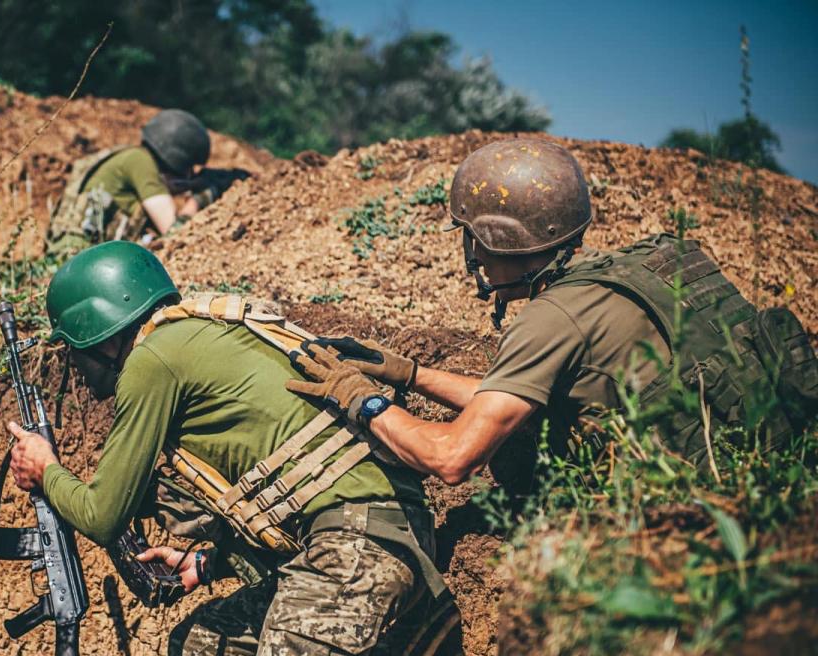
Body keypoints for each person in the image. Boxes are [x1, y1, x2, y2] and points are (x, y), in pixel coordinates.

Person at [4, 241, 445, 656]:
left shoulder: (152, 362)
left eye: (73, 349)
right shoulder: (207, 329)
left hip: (356, 549)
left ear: (102, 335)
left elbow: (102, 514)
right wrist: (211, 563)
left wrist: (45, 470)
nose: (74, 365)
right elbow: (286, 479)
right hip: (355, 541)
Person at [288, 138, 816, 490]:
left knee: (516, 455)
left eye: (472, 238)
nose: (473, 255)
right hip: (780, 462)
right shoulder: (650, 264)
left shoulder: (551, 319)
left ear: (495, 237)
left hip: (696, 516)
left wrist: (363, 400)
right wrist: (410, 374)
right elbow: (513, 397)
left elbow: (452, 458)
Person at [45, 109, 217, 260]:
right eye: (189, 169)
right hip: (77, 259)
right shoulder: (141, 162)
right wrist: (199, 200)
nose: (189, 175)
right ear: (177, 161)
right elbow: (174, 234)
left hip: (70, 257)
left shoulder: (132, 156)